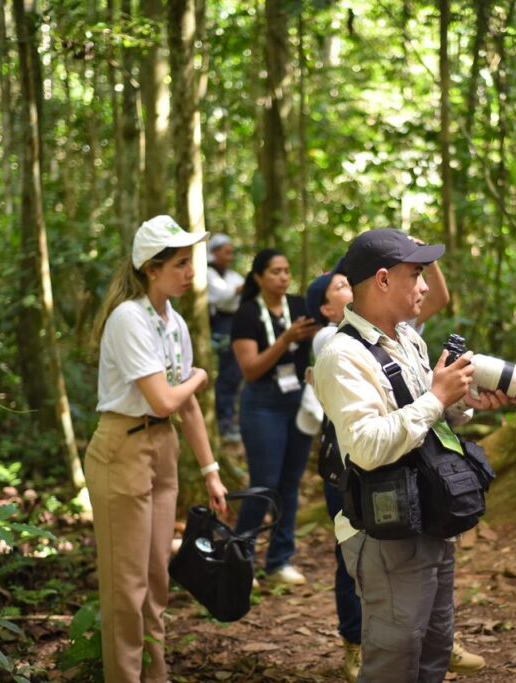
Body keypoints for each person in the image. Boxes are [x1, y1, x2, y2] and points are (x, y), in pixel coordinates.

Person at [313, 228, 512, 682]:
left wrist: (462, 403)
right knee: (395, 657)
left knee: (435, 645)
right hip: (384, 531)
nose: (425, 286)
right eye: (417, 274)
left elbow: (423, 420)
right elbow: (366, 446)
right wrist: (436, 399)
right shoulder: (341, 355)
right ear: (383, 280)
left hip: (429, 514)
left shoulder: (407, 338)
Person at [85, 215, 229, 682]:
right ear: (152, 267)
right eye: (181, 264)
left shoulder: (175, 323)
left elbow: (183, 411)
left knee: (156, 578)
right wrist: (201, 377)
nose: (191, 273)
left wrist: (210, 470)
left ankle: (156, 674)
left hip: (161, 447)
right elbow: (168, 397)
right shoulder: (129, 318)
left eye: (192, 262)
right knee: (126, 586)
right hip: (122, 447)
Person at [231, 248, 319, 585]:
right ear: (258, 277)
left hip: (297, 399)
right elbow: (251, 370)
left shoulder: (299, 306)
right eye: (275, 271)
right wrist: (285, 340)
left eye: (286, 271)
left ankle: (280, 560)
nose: (283, 277)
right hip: (263, 403)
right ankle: (242, 559)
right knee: (264, 484)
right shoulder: (247, 314)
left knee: (290, 484)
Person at [207, 233, 245, 442]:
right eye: (226, 252)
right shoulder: (208, 273)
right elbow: (221, 297)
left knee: (235, 373)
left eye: (232, 253)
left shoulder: (231, 275)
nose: (230, 257)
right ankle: (225, 421)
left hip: (235, 323)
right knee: (228, 374)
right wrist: (237, 291)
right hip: (221, 325)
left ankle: (230, 418)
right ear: (214, 253)